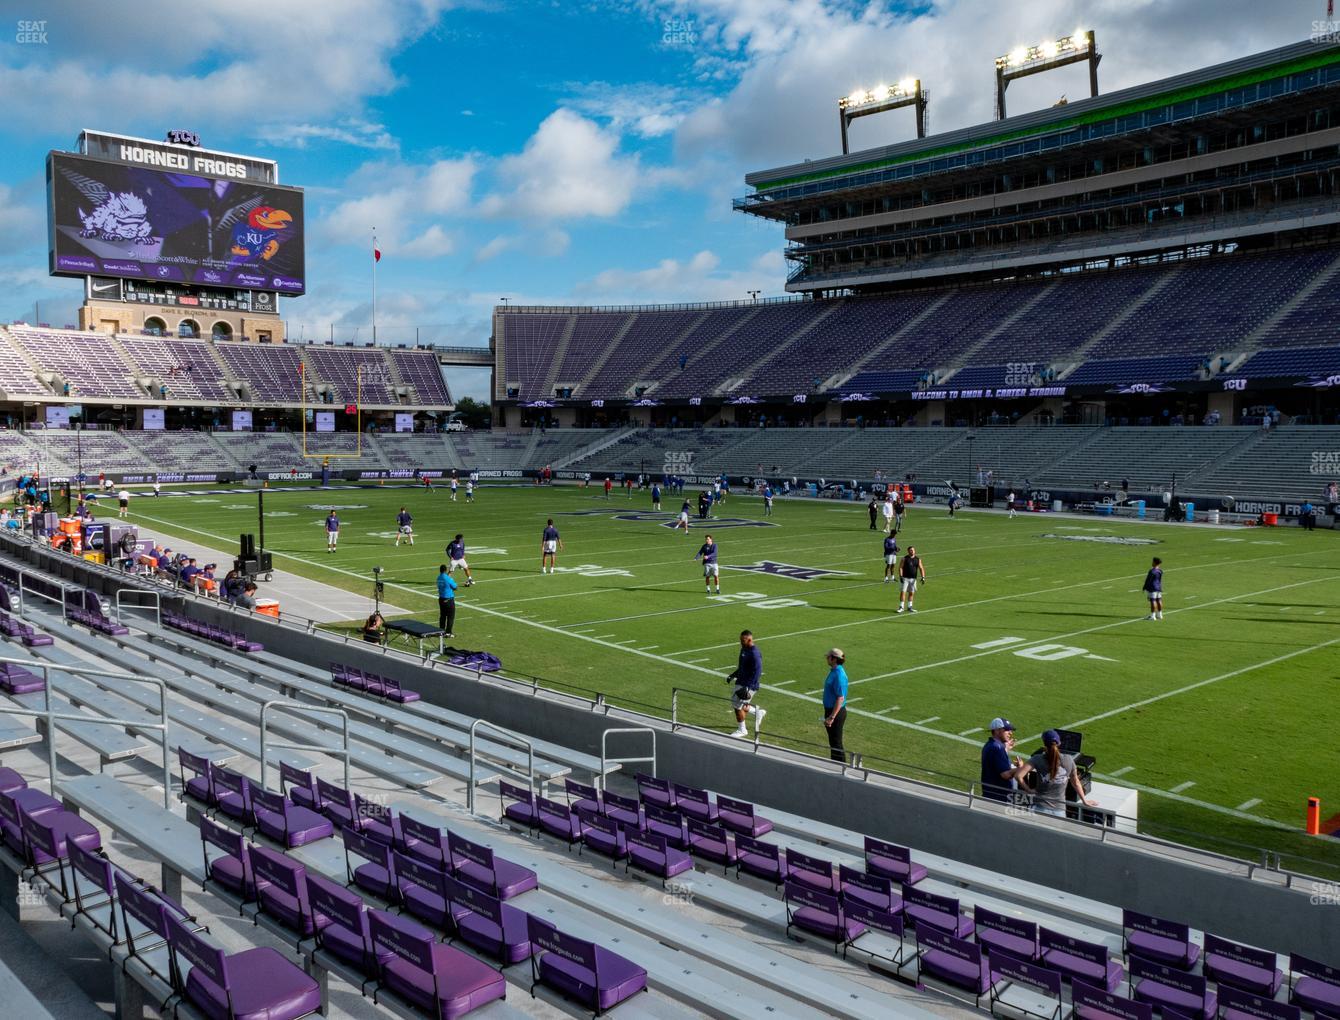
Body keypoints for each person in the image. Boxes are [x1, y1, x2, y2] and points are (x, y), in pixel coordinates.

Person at [1028, 729, 1098, 817]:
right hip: (1059, 810)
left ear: (1044, 743)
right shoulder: (1069, 759)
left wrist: (1028, 789)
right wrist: (1084, 800)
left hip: (1040, 807)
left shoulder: (1038, 759)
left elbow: (1018, 775)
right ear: (1059, 743)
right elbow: (1076, 782)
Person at [980, 718, 1031, 803]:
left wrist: (1005, 750)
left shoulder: (991, 745)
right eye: (1007, 730)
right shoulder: (997, 748)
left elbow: (995, 764)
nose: (1011, 733)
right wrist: (1022, 768)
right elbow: (1005, 775)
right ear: (997, 731)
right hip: (998, 797)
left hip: (991, 794)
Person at [725, 630, 766, 738]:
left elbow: (757, 672)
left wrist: (749, 688)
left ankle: (742, 730)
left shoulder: (754, 653)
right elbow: (742, 666)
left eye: (743, 640)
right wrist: (733, 675)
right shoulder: (744, 649)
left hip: (749, 685)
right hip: (741, 681)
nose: (741, 642)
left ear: (749, 639)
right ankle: (758, 713)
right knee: (740, 704)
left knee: (737, 705)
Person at [822, 648, 848, 764]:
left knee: (836, 742)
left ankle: (842, 767)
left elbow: (840, 698)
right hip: (831, 711)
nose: (827, 658)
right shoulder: (834, 671)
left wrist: (832, 717)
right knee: (833, 742)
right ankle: (835, 765)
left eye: (828, 657)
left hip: (836, 713)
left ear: (833, 659)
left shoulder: (839, 675)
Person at [896, 546, 926, 614]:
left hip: (913, 579)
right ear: (908, 551)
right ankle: (901, 607)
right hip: (905, 578)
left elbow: (921, 568)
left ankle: (910, 607)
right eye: (910, 550)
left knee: (911, 593)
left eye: (913, 550)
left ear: (914, 551)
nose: (912, 551)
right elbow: (900, 567)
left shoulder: (918, 559)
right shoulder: (904, 558)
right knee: (903, 592)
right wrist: (901, 576)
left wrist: (923, 577)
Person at [437, 563, 457, 637]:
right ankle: (448, 632)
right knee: (450, 616)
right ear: (445, 570)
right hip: (448, 599)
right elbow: (455, 587)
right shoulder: (448, 578)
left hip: (441, 599)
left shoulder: (438, 577)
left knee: (442, 616)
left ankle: (441, 631)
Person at [1143, 556, 1164, 621]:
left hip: (1152, 588)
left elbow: (1148, 580)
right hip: (1158, 587)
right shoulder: (1160, 570)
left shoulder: (1152, 571)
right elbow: (1159, 580)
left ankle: (1153, 616)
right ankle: (1160, 615)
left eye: (1152, 561)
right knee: (1159, 600)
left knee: (1153, 601)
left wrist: (1145, 587)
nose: (1152, 562)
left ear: (1155, 562)